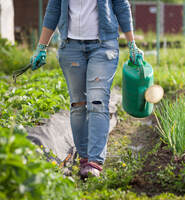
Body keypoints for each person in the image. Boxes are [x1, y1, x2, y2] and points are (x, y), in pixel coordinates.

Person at [30, 0, 144, 179]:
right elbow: (53, 9)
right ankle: (84, 159)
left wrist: (132, 44)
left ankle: (94, 162)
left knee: (97, 101)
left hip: (103, 46)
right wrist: (41, 47)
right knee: (78, 104)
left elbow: (121, 6)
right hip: (71, 48)